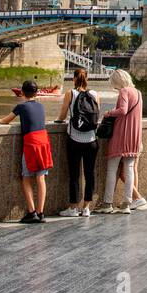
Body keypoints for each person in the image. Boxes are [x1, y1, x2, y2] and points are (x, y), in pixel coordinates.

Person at [0, 79, 53, 223]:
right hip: (43, 141)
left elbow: (5, 120)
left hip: (31, 143)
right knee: (41, 178)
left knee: (26, 177)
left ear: (22, 93)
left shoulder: (21, 107)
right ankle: (41, 213)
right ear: (36, 92)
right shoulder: (41, 106)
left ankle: (32, 212)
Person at [95, 68, 144, 214]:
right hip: (134, 135)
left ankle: (107, 203)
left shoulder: (124, 92)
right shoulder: (138, 93)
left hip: (121, 134)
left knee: (112, 168)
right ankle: (127, 203)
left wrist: (109, 112)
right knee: (129, 169)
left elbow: (122, 110)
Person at [56, 68, 101, 218]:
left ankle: (73, 208)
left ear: (74, 79)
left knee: (74, 174)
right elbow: (97, 115)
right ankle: (86, 208)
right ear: (87, 78)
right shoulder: (94, 94)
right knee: (90, 174)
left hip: (74, 139)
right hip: (92, 140)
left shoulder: (71, 93)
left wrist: (59, 121)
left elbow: (63, 114)